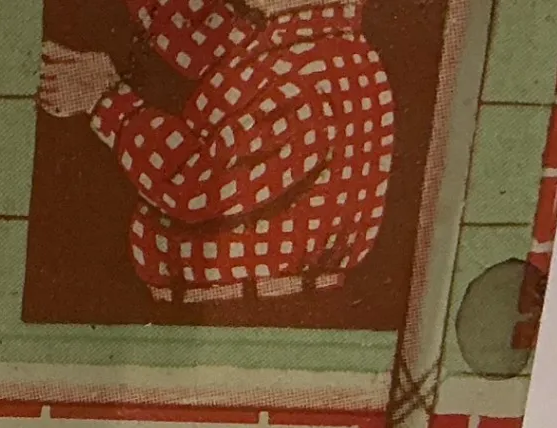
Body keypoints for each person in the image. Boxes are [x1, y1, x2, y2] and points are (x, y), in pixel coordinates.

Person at [39, 2, 394, 306]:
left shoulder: (305, 73)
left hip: (251, 312)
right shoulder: (307, 41)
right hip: (260, 304)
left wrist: (106, 99)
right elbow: (200, 39)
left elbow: (196, 185)